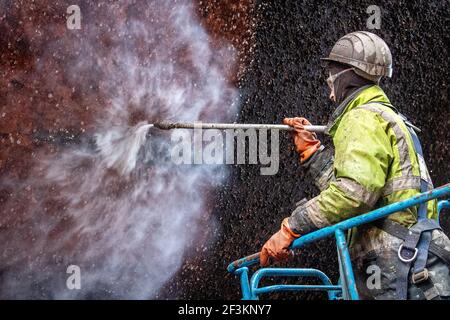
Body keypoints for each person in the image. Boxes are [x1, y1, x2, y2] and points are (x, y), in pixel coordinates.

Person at [260, 31, 450, 300]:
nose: (329, 83)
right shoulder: (385, 116)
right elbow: (362, 189)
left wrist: (293, 226)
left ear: (346, 75)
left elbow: (353, 196)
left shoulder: (360, 117)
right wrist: (312, 152)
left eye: (332, 73)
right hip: (417, 258)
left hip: (396, 265)